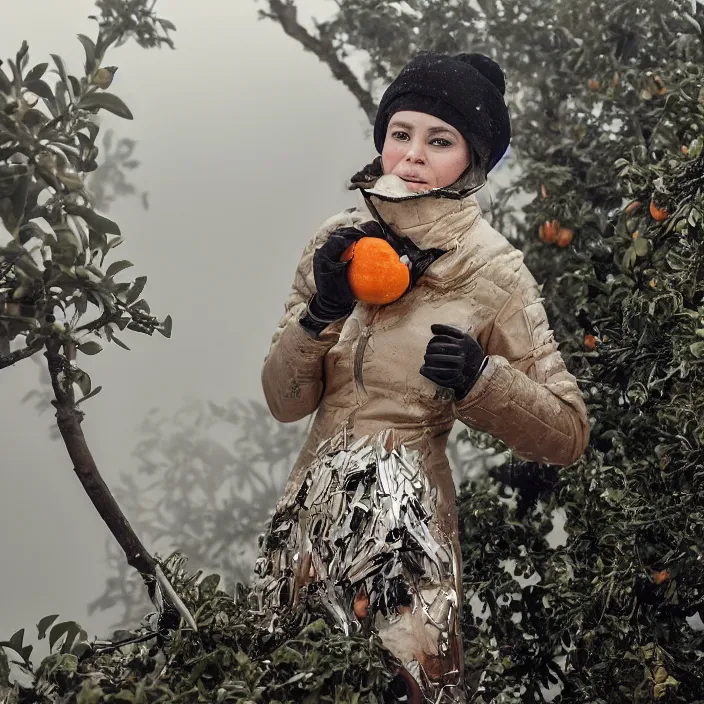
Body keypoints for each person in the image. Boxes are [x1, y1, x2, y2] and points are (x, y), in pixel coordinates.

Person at [251, 51, 589, 702]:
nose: (411, 155)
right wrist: (320, 312)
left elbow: (567, 433)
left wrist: (481, 380)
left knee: (407, 688)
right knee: (286, 680)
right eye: (400, 133)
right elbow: (283, 402)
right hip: (309, 518)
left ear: (473, 160)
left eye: (440, 140)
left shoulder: (497, 271)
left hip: (409, 526)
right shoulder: (338, 241)